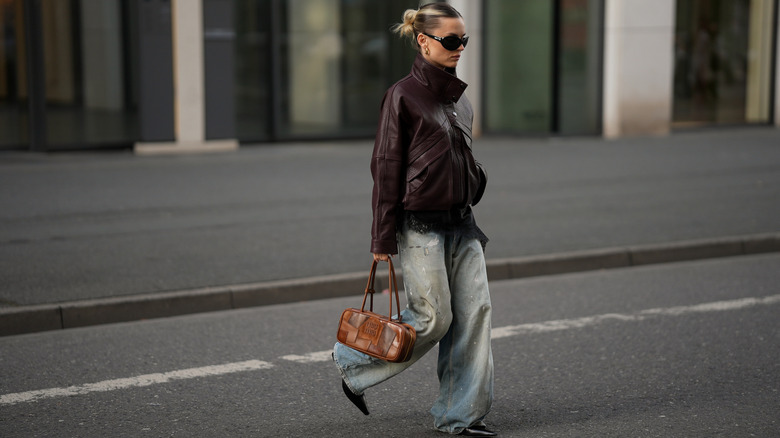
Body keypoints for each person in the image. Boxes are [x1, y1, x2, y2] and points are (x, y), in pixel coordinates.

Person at [332, 3, 495, 436]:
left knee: (474, 315)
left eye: (463, 39)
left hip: (463, 222)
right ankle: (352, 362)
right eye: (451, 40)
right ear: (423, 41)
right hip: (420, 225)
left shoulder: (459, 99)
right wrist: (382, 237)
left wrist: (474, 181)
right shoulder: (402, 96)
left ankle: (461, 416)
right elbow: (386, 167)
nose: (460, 47)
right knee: (432, 318)